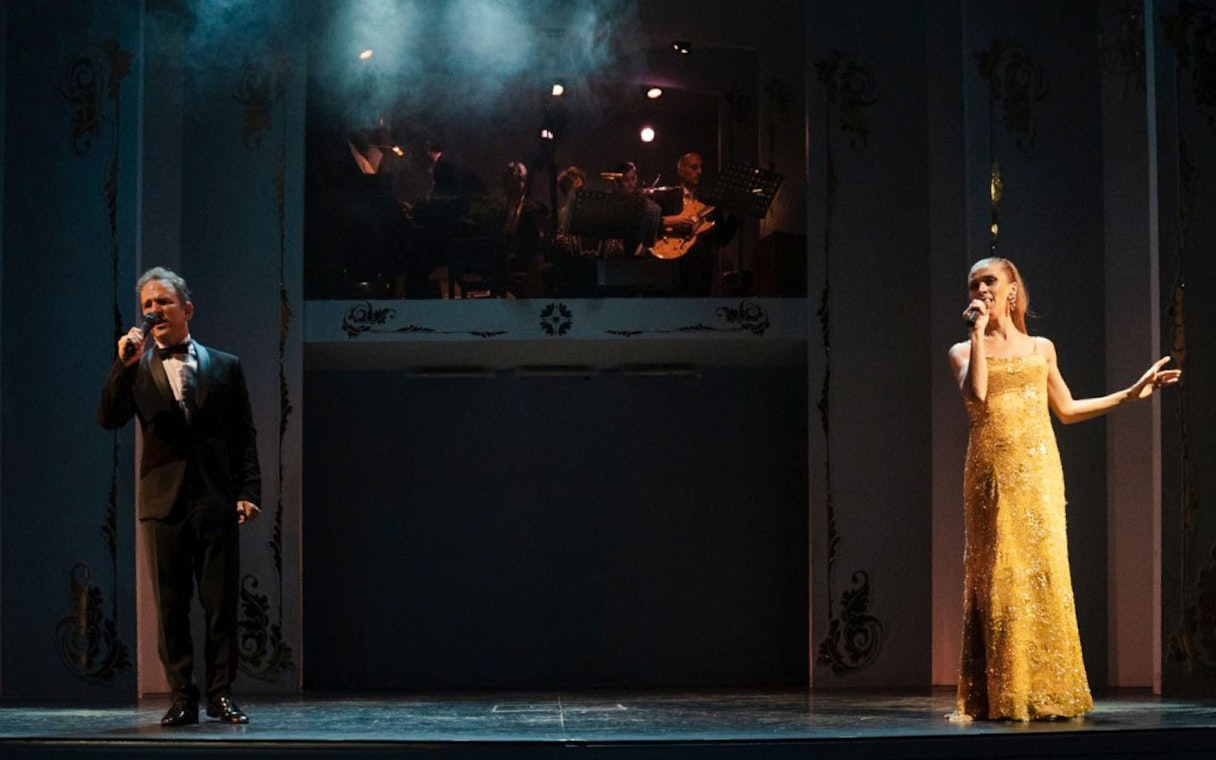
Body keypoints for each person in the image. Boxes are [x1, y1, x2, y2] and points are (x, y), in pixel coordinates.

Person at [947, 256, 1179, 722]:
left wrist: (1129, 394)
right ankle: (1001, 693)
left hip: (1039, 474)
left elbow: (1067, 409)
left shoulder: (1041, 347)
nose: (981, 290)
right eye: (974, 284)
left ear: (1012, 290)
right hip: (991, 474)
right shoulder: (961, 350)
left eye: (990, 281)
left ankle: (1047, 688)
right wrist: (976, 335)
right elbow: (977, 397)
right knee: (1000, 575)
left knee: (1044, 570)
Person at [98, 267, 261, 726]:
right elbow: (108, 417)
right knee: (171, 606)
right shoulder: (137, 368)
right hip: (161, 503)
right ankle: (182, 696)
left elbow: (243, 434)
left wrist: (248, 490)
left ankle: (221, 694)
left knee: (220, 603)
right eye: (147, 305)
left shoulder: (226, 365)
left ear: (186, 309)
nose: (154, 312)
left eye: (163, 303)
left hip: (215, 498)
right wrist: (122, 366)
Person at [657, 152, 736, 295]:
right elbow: (652, 224)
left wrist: (735, 216)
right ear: (680, 170)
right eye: (694, 167)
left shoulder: (709, 200)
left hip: (701, 269)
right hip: (672, 266)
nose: (699, 172)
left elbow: (722, 239)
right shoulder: (667, 197)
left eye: (700, 167)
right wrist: (673, 222)